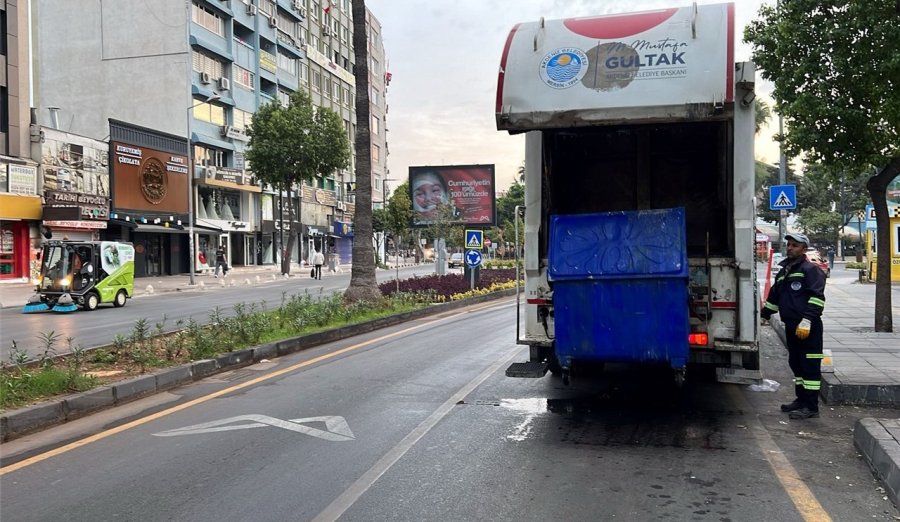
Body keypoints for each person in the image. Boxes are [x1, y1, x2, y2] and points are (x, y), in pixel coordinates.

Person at [760, 232, 826, 420]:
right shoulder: (784, 272)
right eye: (789, 245)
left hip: (808, 328)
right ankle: (801, 400)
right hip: (791, 327)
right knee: (796, 364)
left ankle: (811, 407)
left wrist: (807, 320)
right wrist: (763, 316)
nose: (790, 248)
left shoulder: (810, 270)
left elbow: (817, 298)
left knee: (809, 367)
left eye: (795, 245)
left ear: (804, 249)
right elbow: (774, 298)